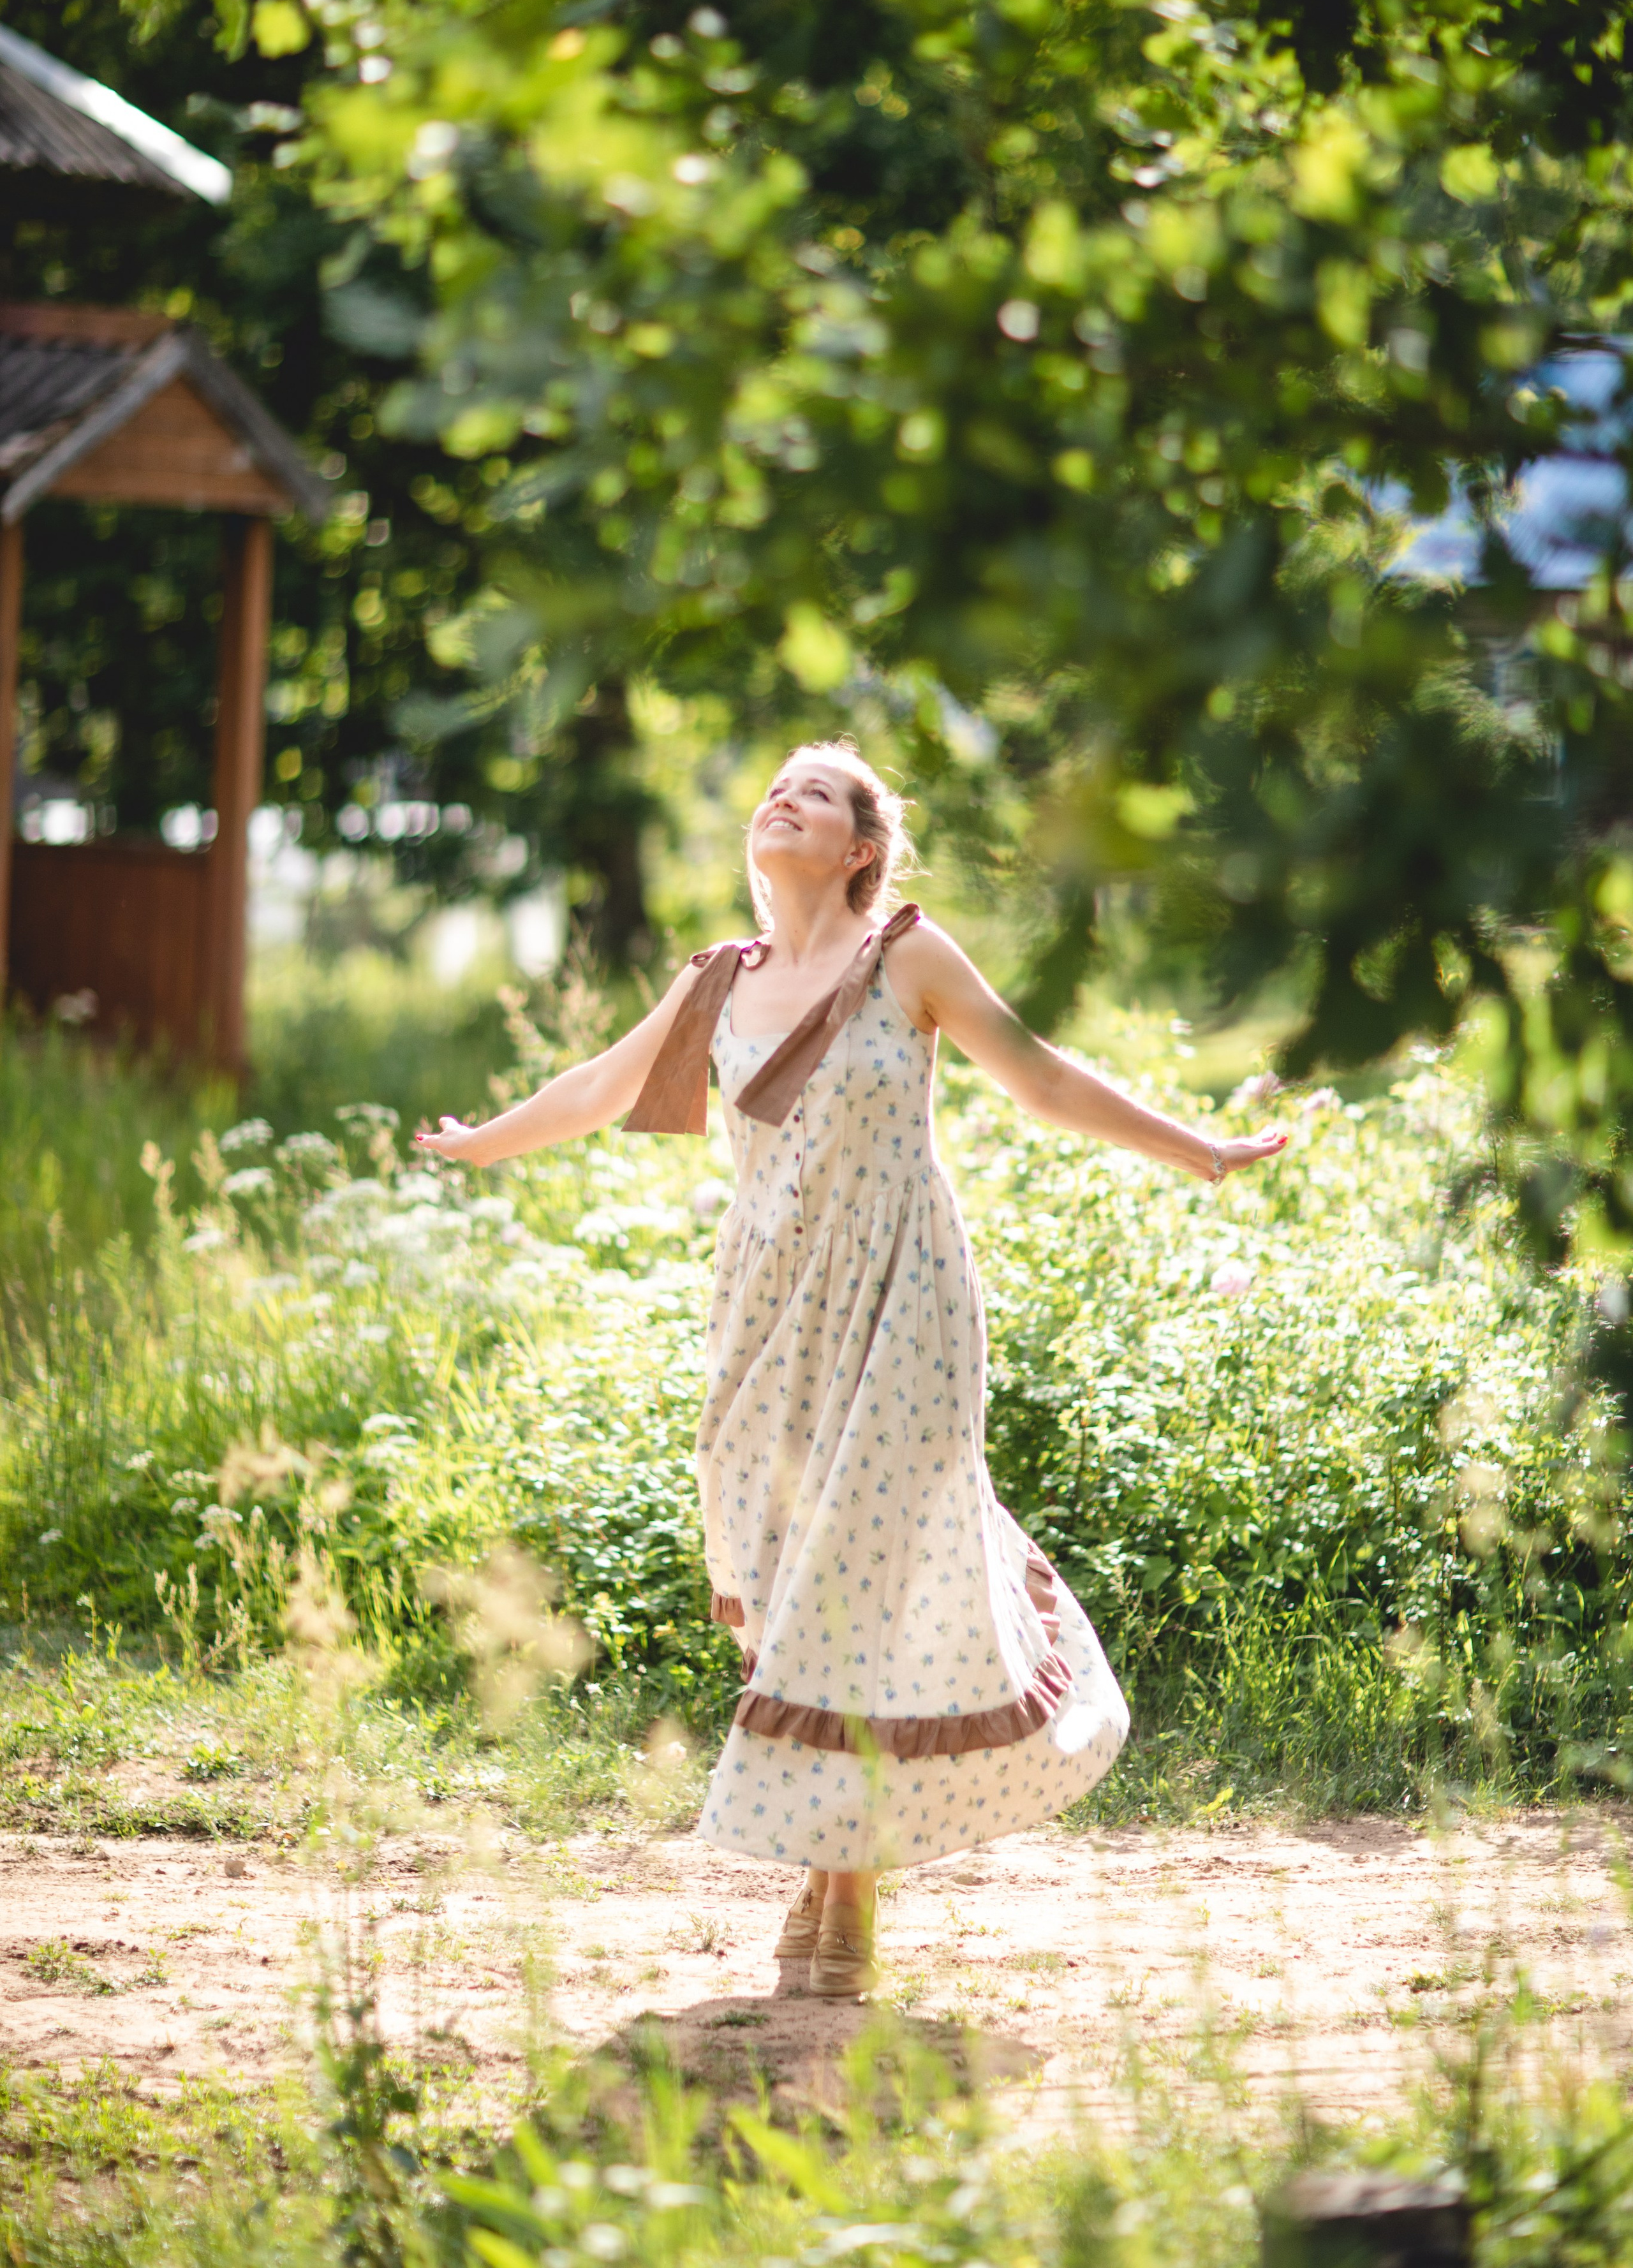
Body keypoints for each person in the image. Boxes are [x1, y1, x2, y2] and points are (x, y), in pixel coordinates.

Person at [417, 740, 1289, 1999]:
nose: (783, 799)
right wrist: (484, 1144)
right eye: (776, 787)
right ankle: (835, 1860)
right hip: (766, 1309)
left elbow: (1037, 1075)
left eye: (815, 794)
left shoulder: (906, 958)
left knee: (856, 1582)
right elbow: (605, 1084)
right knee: (776, 1574)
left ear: (860, 850)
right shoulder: (717, 981)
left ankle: (846, 1895)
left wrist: (1196, 1149)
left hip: (902, 1295)